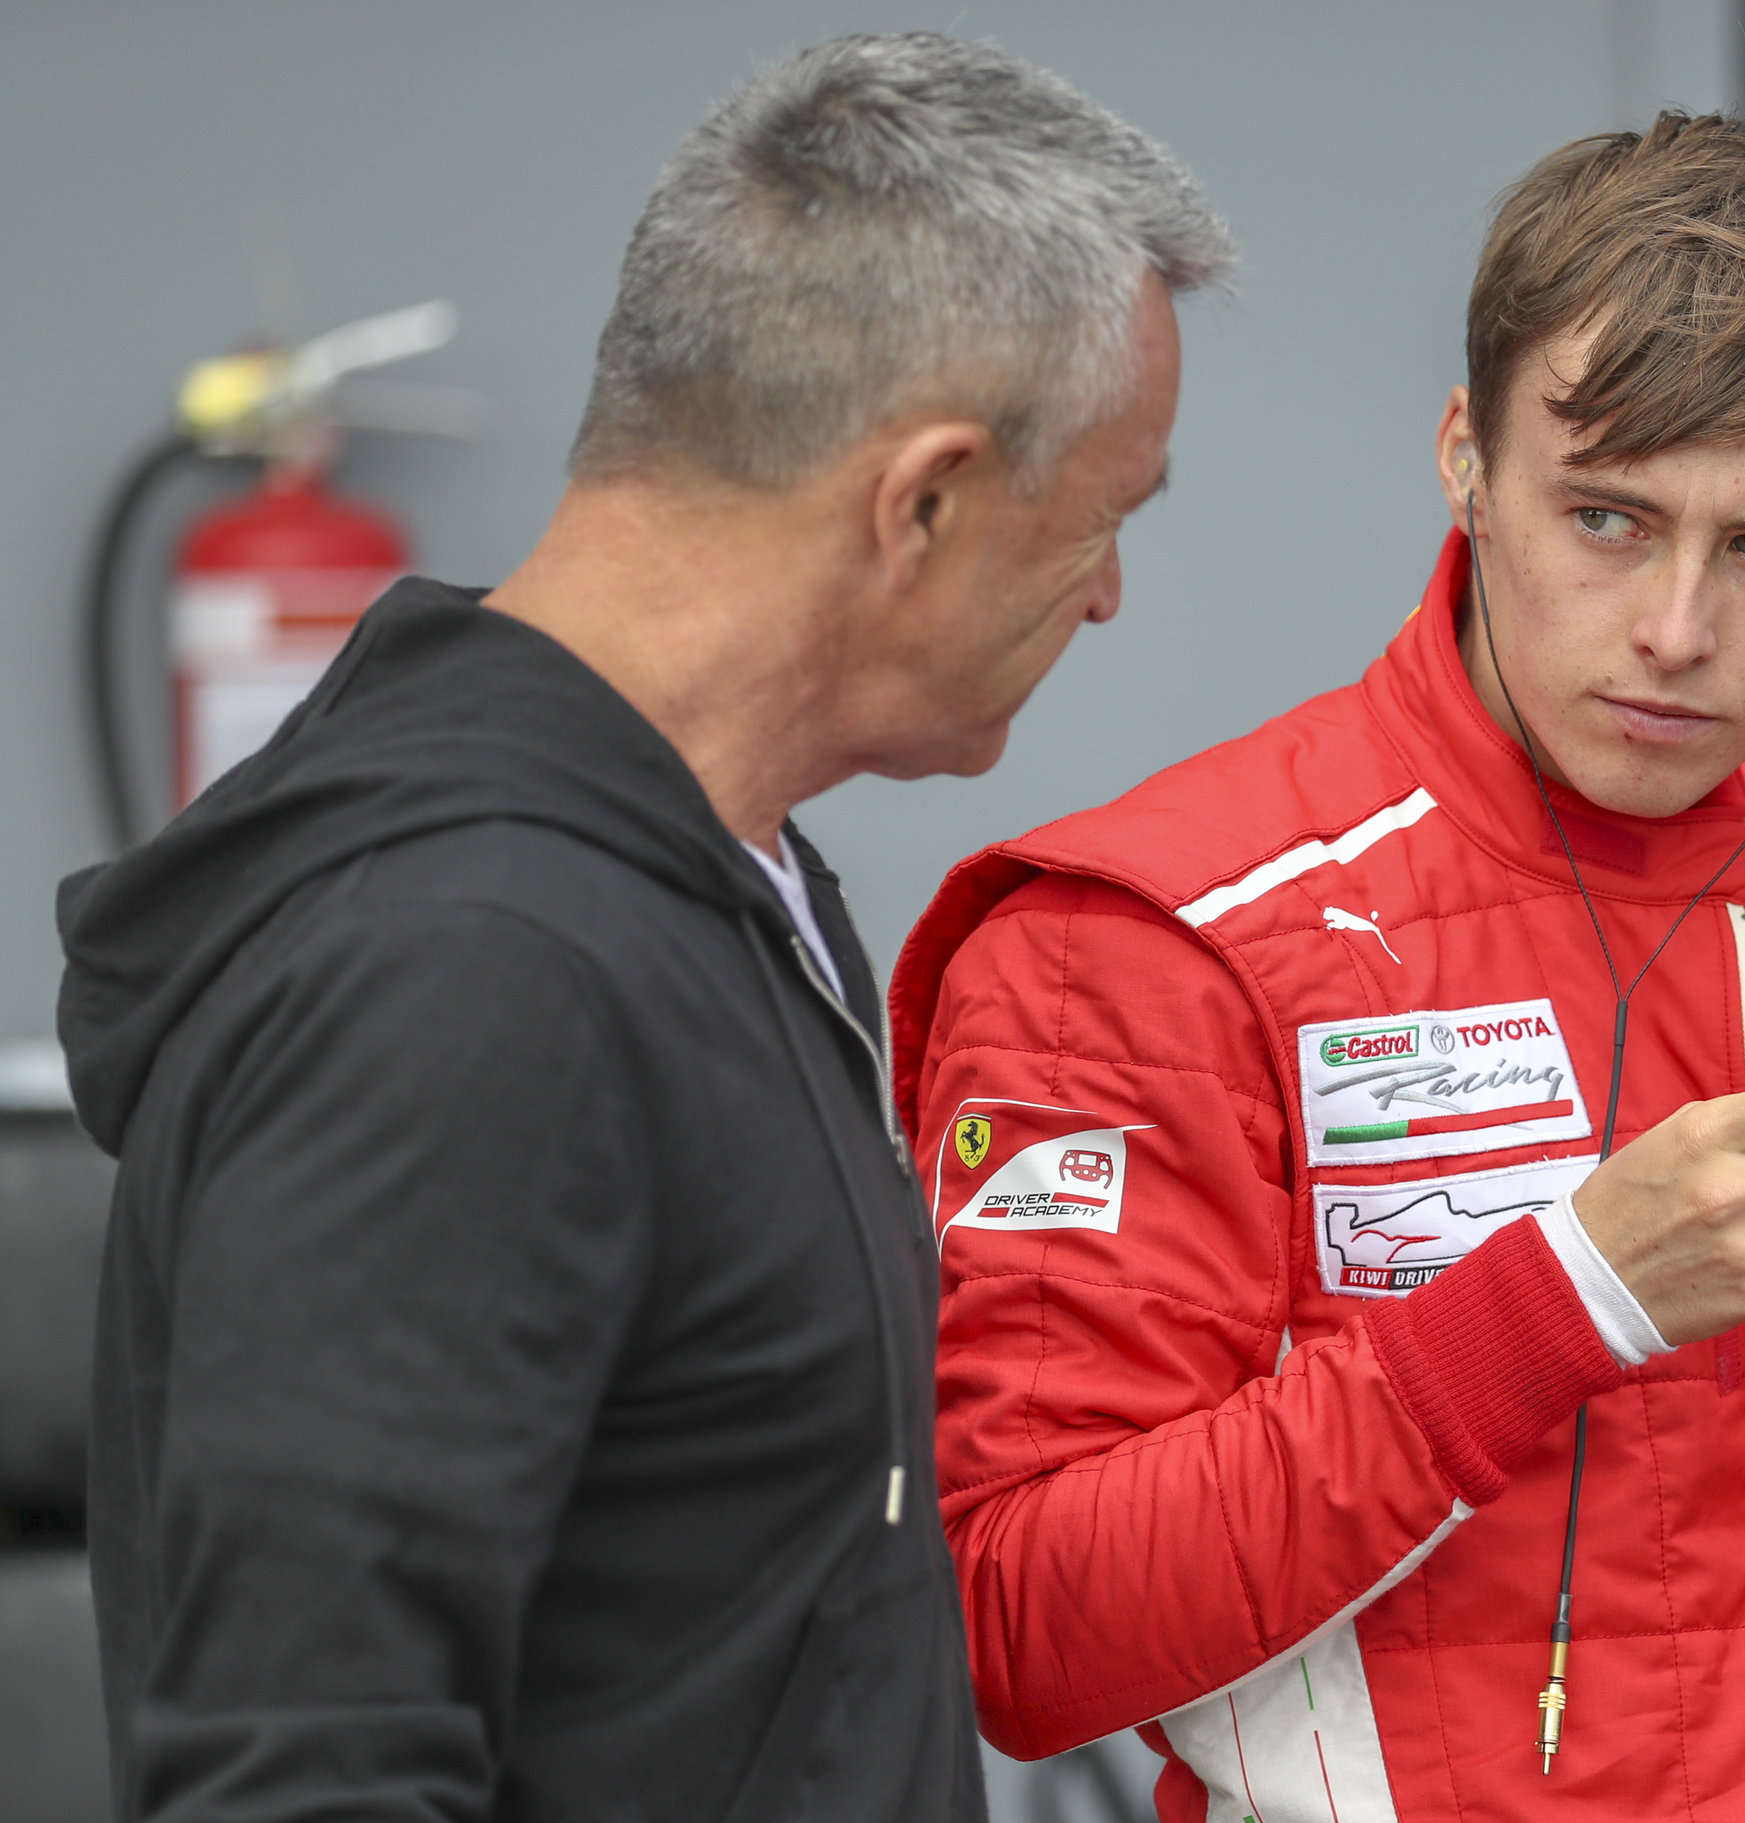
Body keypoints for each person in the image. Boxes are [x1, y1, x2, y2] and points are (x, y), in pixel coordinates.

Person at [891, 118, 1745, 1821]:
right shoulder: (1150, 933)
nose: (1678, 631)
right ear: (1467, 462)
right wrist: (1563, 1299)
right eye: (1611, 519)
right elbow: (1020, 1631)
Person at [55, 34, 1231, 1823]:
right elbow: (303, 1772)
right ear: (922, 499)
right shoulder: (466, 971)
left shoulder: (725, 871)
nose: (1112, 593)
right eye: (1102, 520)